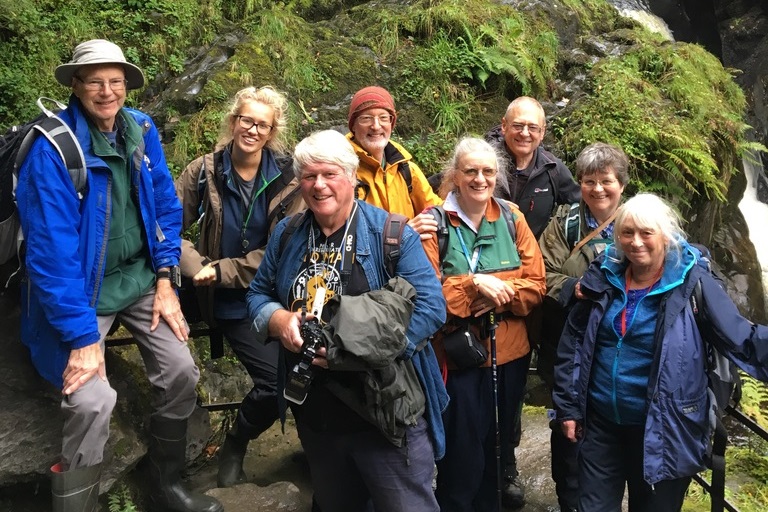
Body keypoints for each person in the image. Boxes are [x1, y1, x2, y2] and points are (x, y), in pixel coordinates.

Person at [15, 40, 222, 512]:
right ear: (75, 85)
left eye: (116, 81)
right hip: (81, 292)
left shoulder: (141, 129)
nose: (107, 92)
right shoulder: (53, 149)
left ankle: (164, 485)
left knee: (182, 371)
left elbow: (167, 209)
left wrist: (167, 278)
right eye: (95, 81)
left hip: (139, 277)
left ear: (127, 85)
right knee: (91, 401)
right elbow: (51, 256)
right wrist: (84, 338)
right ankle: (79, 506)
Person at [246, 129, 449, 512]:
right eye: (309, 176)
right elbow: (257, 295)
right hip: (318, 418)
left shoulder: (391, 234)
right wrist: (278, 319)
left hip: (384, 416)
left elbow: (430, 308)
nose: (318, 185)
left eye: (329, 174)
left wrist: (358, 353)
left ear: (352, 177)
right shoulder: (287, 235)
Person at [553, 193, 768, 511]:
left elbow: (742, 338)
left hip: (664, 429)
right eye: (627, 233)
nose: (635, 242)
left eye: (646, 233)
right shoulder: (604, 276)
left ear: (665, 236)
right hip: (601, 426)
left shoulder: (692, 282)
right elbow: (574, 342)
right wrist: (569, 408)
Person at [175, 86, 305, 488]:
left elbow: (285, 246)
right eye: (246, 120)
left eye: (261, 124)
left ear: (272, 132)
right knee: (272, 383)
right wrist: (197, 265)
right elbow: (166, 226)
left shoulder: (288, 177)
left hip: (266, 295)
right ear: (233, 122)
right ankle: (219, 452)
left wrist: (222, 268)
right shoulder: (204, 170)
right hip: (220, 299)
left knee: (285, 382)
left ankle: (239, 439)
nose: (252, 129)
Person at [423, 137, 546, 512]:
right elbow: (428, 294)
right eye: (470, 171)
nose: (480, 179)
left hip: (509, 357)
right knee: (460, 459)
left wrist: (498, 291)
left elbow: (537, 284)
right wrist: (473, 284)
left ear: (498, 176)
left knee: (498, 452)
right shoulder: (434, 224)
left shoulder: (512, 218)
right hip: (458, 360)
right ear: (454, 176)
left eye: (488, 171)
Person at [485, 95, 581, 507]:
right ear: (504, 125)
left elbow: (582, 209)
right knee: (484, 378)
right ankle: (483, 462)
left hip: (531, 291)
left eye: (534, 128)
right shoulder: (481, 160)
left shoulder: (554, 171)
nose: (525, 133)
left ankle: (506, 462)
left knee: (516, 378)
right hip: (483, 287)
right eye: (518, 125)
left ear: (543, 132)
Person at [537, 142, 629, 512]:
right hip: (568, 345)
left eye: (606, 181)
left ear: (621, 183)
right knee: (567, 428)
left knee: (613, 426)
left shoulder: (639, 221)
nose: (598, 189)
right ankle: (570, 500)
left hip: (619, 349)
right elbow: (542, 273)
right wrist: (574, 289)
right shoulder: (564, 223)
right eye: (589, 181)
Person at [346, 85, 442, 238]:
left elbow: (436, 208)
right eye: (366, 118)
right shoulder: (340, 169)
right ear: (353, 126)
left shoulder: (406, 169)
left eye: (383, 118)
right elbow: (338, 232)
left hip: (407, 258)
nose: (376, 126)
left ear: (391, 123)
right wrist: (399, 235)